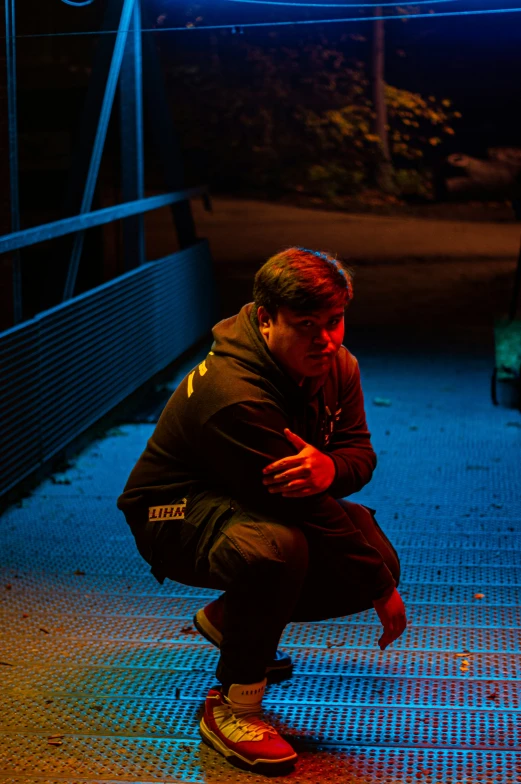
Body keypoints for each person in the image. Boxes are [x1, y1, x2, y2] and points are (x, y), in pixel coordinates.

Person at [117, 246, 406, 772]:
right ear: (266, 319)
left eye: (335, 321)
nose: (326, 340)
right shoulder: (235, 393)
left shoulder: (338, 366)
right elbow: (305, 509)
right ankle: (234, 706)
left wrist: (330, 469)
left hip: (246, 498)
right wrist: (381, 594)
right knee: (278, 547)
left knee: (373, 551)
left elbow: (360, 455)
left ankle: (232, 618)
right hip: (173, 512)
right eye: (307, 325)